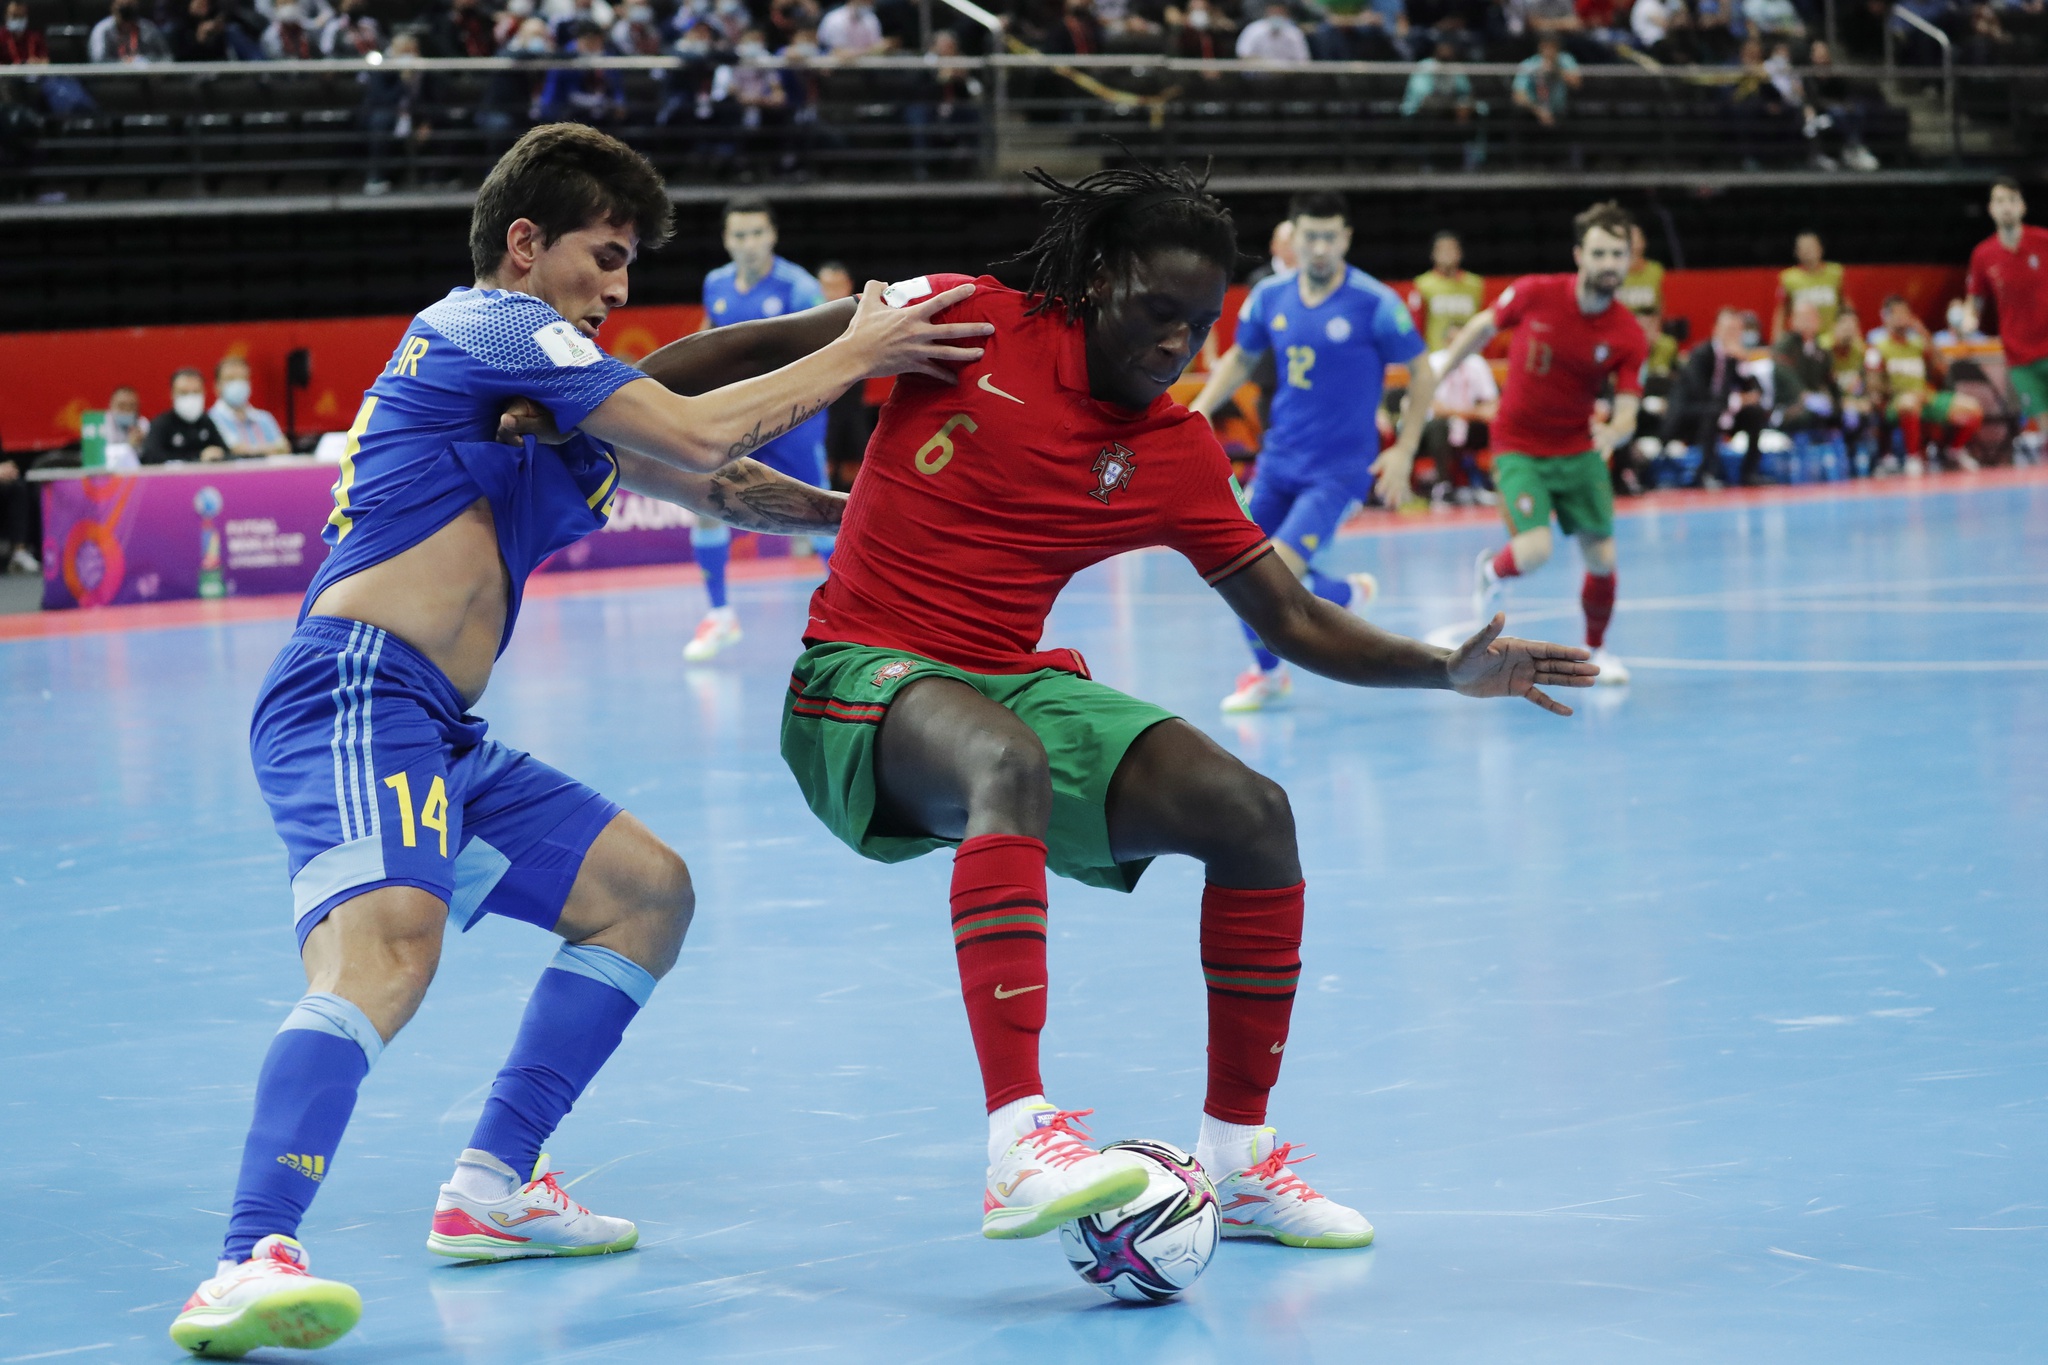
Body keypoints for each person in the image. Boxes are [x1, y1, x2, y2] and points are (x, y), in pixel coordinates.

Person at [167, 122, 990, 1358]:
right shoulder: (489, 325)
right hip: (353, 692)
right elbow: (709, 431)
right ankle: (245, 1257)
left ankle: (492, 1190)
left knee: (645, 895)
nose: (617, 288)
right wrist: (861, 341)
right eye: (604, 258)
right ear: (524, 244)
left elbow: (718, 484)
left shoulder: (552, 403)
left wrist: (886, 529)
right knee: (387, 956)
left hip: (437, 726)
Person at [776, 161, 1596, 1263]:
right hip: (852, 681)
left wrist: (1444, 668)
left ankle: (1237, 1161)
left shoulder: (1170, 448)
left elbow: (1296, 620)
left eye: (1198, 326)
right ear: (1097, 279)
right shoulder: (966, 317)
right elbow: (721, 364)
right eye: (1156, 314)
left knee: (1249, 813)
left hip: (999, 679)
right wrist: (605, 411)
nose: (1176, 346)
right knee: (1006, 764)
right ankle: (1018, 1141)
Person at [1189, 190, 1438, 713]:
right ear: (1293, 237)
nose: (1320, 247)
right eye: (1311, 236)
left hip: (1339, 473)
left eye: (1330, 236)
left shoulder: (1375, 304)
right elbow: (1240, 356)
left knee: (1269, 571)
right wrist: (1202, 408)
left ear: (1345, 238)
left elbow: (1422, 372)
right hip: (1279, 461)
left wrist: (1405, 449)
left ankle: (1338, 598)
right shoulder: (1270, 298)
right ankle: (1276, 667)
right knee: (1236, 568)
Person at [1439, 200, 1646, 685]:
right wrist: (1439, 370)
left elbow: (1631, 400)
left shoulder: (1627, 333)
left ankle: (1597, 649)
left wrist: (1617, 429)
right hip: (1519, 445)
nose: (1609, 263)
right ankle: (1492, 571)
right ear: (1579, 254)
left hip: (1578, 451)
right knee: (1533, 552)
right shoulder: (1535, 293)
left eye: (1618, 254)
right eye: (1600, 253)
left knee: (1603, 559)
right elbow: (1481, 327)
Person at [684, 197, 835, 662]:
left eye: (756, 234)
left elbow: (829, 354)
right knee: (704, 499)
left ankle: (860, 614)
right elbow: (711, 338)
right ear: (727, 239)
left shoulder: (800, 288)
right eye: (739, 235)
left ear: (772, 236)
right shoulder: (716, 283)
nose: (748, 244)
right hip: (737, 417)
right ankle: (721, 616)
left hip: (792, 421)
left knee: (822, 518)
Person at [1964, 178, 2048, 446]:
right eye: (1999, 201)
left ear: (2022, 207)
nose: (2006, 207)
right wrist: (1968, 318)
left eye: (2012, 200)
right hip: (2020, 356)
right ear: (1991, 209)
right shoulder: (1982, 254)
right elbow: (1975, 300)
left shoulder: (2044, 241)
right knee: (2045, 426)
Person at [1866, 293, 1982, 474]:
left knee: (1972, 408)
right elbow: (1873, 387)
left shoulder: (1918, 344)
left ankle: (1952, 451)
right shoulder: (1878, 348)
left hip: (1925, 398)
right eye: (1896, 314)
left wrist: (1925, 334)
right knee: (1909, 402)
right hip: (1896, 403)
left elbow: (1942, 369)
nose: (1901, 318)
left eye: (1905, 313)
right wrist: (1900, 393)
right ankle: (1914, 458)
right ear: (1886, 317)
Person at [817, 260, 876, 488]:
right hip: (821, 409)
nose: (832, 292)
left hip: (852, 407)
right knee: (824, 467)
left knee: (858, 469)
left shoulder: (865, 316)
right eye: (826, 286)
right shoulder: (808, 322)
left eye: (837, 286)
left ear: (848, 285)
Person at [1420, 343, 1500, 504]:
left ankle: (1494, 481)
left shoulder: (1476, 363)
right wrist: (1473, 412)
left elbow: (1493, 405)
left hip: (1467, 423)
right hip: (1433, 427)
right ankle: (1443, 485)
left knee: (1498, 424)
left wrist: (1465, 414)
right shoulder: (1434, 362)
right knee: (1439, 426)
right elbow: (1436, 410)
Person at [1407, 229, 1486, 352]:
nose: (1447, 253)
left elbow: (1484, 325)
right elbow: (1416, 327)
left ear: (1459, 253)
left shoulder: (1475, 284)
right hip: (1437, 357)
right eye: (1442, 250)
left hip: (1470, 355)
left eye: (1451, 249)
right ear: (1433, 254)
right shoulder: (1422, 285)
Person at [209, 356, 292, 457]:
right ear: (217, 386)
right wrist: (269, 449)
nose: (237, 384)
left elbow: (283, 448)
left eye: (242, 378)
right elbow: (235, 450)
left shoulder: (264, 418)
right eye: (230, 379)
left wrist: (252, 450)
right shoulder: (210, 420)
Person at [1773, 229, 1847, 341]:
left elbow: (1846, 305)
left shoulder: (1835, 273)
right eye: (1803, 248)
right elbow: (1782, 311)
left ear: (1820, 249)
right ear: (1796, 252)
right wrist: (1776, 338)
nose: (1808, 251)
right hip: (1802, 340)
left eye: (1811, 247)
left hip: (1831, 338)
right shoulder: (1789, 278)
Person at [143, 368, 228, 464]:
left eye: (196, 392)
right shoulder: (161, 424)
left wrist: (219, 454)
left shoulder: (206, 421)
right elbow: (151, 457)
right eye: (184, 392)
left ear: (204, 393)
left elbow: (225, 452)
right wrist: (198, 457)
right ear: (172, 394)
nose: (190, 398)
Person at [89, 0, 171, 62]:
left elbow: (167, 57)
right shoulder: (102, 30)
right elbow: (98, 60)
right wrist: (122, 63)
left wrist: (150, 63)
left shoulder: (148, 28)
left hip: (146, 77)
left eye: (130, 7)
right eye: (122, 7)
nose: (126, 11)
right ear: (113, 7)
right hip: (112, 80)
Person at [1235, 0, 1309, 59]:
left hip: (1288, 75)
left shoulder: (1293, 32)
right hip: (1257, 75)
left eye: (1280, 12)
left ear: (1286, 14)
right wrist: (1266, 64)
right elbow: (1243, 55)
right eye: (1274, 12)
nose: (1276, 15)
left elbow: (1303, 60)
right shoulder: (1253, 29)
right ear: (1267, 12)